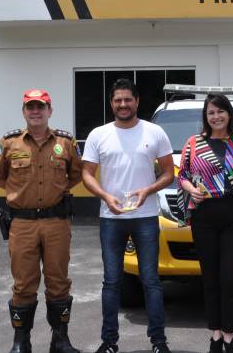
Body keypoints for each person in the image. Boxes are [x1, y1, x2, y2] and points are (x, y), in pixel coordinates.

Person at [81, 79, 175, 353]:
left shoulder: (155, 132)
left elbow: (169, 173)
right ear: (111, 103)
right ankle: (109, 342)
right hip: (111, 219)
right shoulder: (99, 135)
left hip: (146, 217)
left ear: (137, 101)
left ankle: (159, 342)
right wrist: (105, 196)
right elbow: (86, 174)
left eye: (128, 99)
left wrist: (149, 189)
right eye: (118, 100)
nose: (123, 104)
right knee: (112, 282)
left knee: (151, 281)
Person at [0, 89, 83, 353]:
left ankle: (60, 340)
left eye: (40, 107)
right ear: (24, 112)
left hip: (56, 222)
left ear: (49, 111)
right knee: (23, 282)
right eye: (30, 107)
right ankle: (21, 341)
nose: (35, 111)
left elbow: (74, 175)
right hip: (22, 223)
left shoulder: (65, 142)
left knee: (59, 280)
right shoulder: (10, 143)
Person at [177, 93, 233, 353]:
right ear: (206, 117)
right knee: (210, 279)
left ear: (229, 114)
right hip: (204, 216)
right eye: (210, 112)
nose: (216, 117)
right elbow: (181, 175)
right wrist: (190, 188)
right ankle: (215, 334)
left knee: (230, 278)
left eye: (220, 111)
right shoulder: (194, 143)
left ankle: (229, 335)